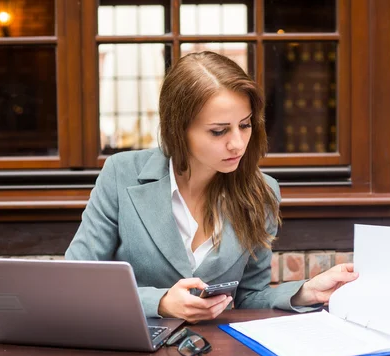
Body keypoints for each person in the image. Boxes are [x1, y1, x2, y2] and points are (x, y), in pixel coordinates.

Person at [65, 51, 358, 323]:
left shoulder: (262, 192)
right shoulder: (121, 174)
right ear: (178, 129)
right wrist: (160, 302)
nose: (237, 143)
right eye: (219, 131)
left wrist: (307, 291)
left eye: (245, 125)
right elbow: (74, 281)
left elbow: (250, 297)